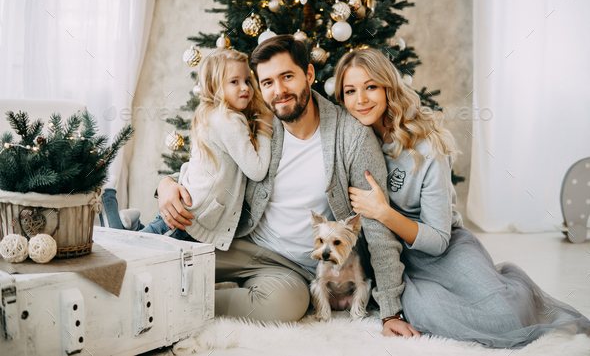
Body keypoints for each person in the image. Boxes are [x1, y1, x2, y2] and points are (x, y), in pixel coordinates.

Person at [157, 35, 414, 337]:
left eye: (287, 77)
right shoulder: (258, 123)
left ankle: (171, 303)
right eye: (267, 83)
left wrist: (390, 311)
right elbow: (212, 166)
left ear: (309, 74)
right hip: (240, 242)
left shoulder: (352, 138)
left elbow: (376, 226)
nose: (278, 92)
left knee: (286, 305)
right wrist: (167, 183)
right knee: (161, 262)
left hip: (292, 269)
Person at [334, 47, 590, 348]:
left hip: (445, 247)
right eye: (350, 91)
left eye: (371, 87)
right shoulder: (352, 146)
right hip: (401, 261)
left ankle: (506, 285)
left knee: (506, 315)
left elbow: (439, 239)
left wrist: (384, 213)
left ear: (388, 87)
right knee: (429, 313)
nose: (361, 100)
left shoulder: (427, 148)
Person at [102, 48, 274, 251]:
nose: (245, 87)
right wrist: (265, 129)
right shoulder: (230, 120)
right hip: (190, 217)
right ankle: (108, 200)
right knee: (124, 251)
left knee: (140, 248)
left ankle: (132, 225)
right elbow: (257, 170)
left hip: (190, 207)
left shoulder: (212, 114)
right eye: (234, 82)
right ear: (214, 85)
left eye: (247, 81)